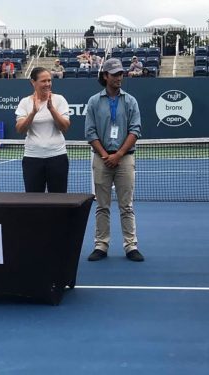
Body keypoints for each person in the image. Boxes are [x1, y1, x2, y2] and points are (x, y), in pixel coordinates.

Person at [84, 58, 144, 262]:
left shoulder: (131, 101)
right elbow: (90, 132)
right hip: (101, 159)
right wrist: (105, 155)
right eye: (115, 74)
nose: (119, 77)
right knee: (102, 205)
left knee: (126, 206)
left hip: (125, 159)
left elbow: (135, 130)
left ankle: (131, 245)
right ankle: (101, 245)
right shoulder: (93, 101)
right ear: (105, 76)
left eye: (121, 74)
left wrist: (118, 155)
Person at [15, 67, 71, 193]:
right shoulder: (25, 102)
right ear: (33, 82)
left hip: (57, 157)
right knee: (34, 202)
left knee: (59, 201)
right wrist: (33, 112)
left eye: (49, 81)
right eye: (43, 81)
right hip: (32, 158)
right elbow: (20, 129)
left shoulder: (59, 100)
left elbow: (65, 127)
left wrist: (51, 109)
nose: (47, 84)